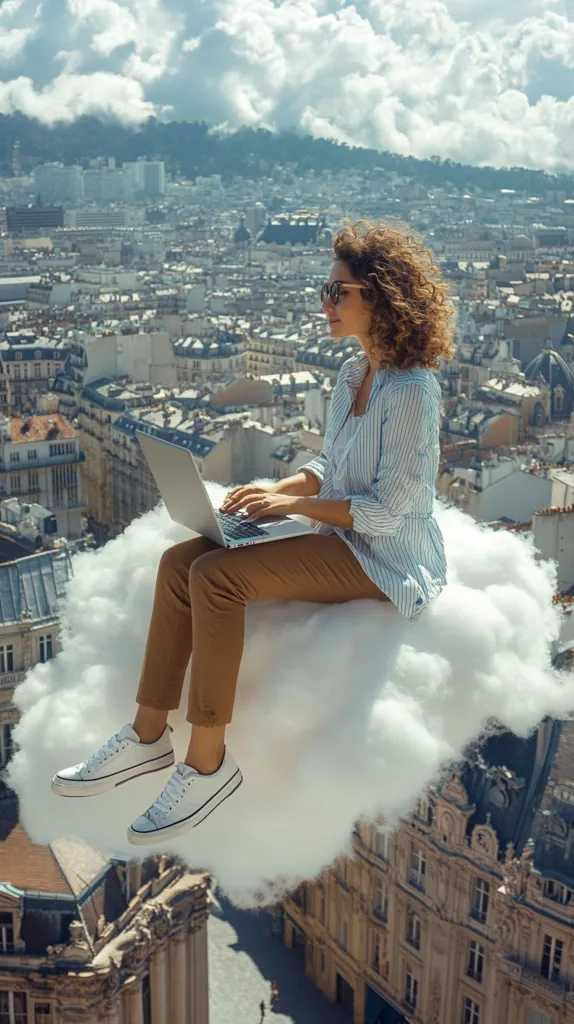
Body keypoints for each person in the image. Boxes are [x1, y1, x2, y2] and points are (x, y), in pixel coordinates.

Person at [52, 220, 454, 845]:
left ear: (380, 297)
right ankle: (147, 736)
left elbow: (391, 510)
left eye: (338, 291)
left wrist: (296, 506)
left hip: (386, 559)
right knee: (178, 562)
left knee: (217, 577)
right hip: (341, 534)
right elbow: (331, 466)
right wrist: (276, 494)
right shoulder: (355, 373)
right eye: (325, 289)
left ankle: (207, 764)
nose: (325, 303)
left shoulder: (412, 390)